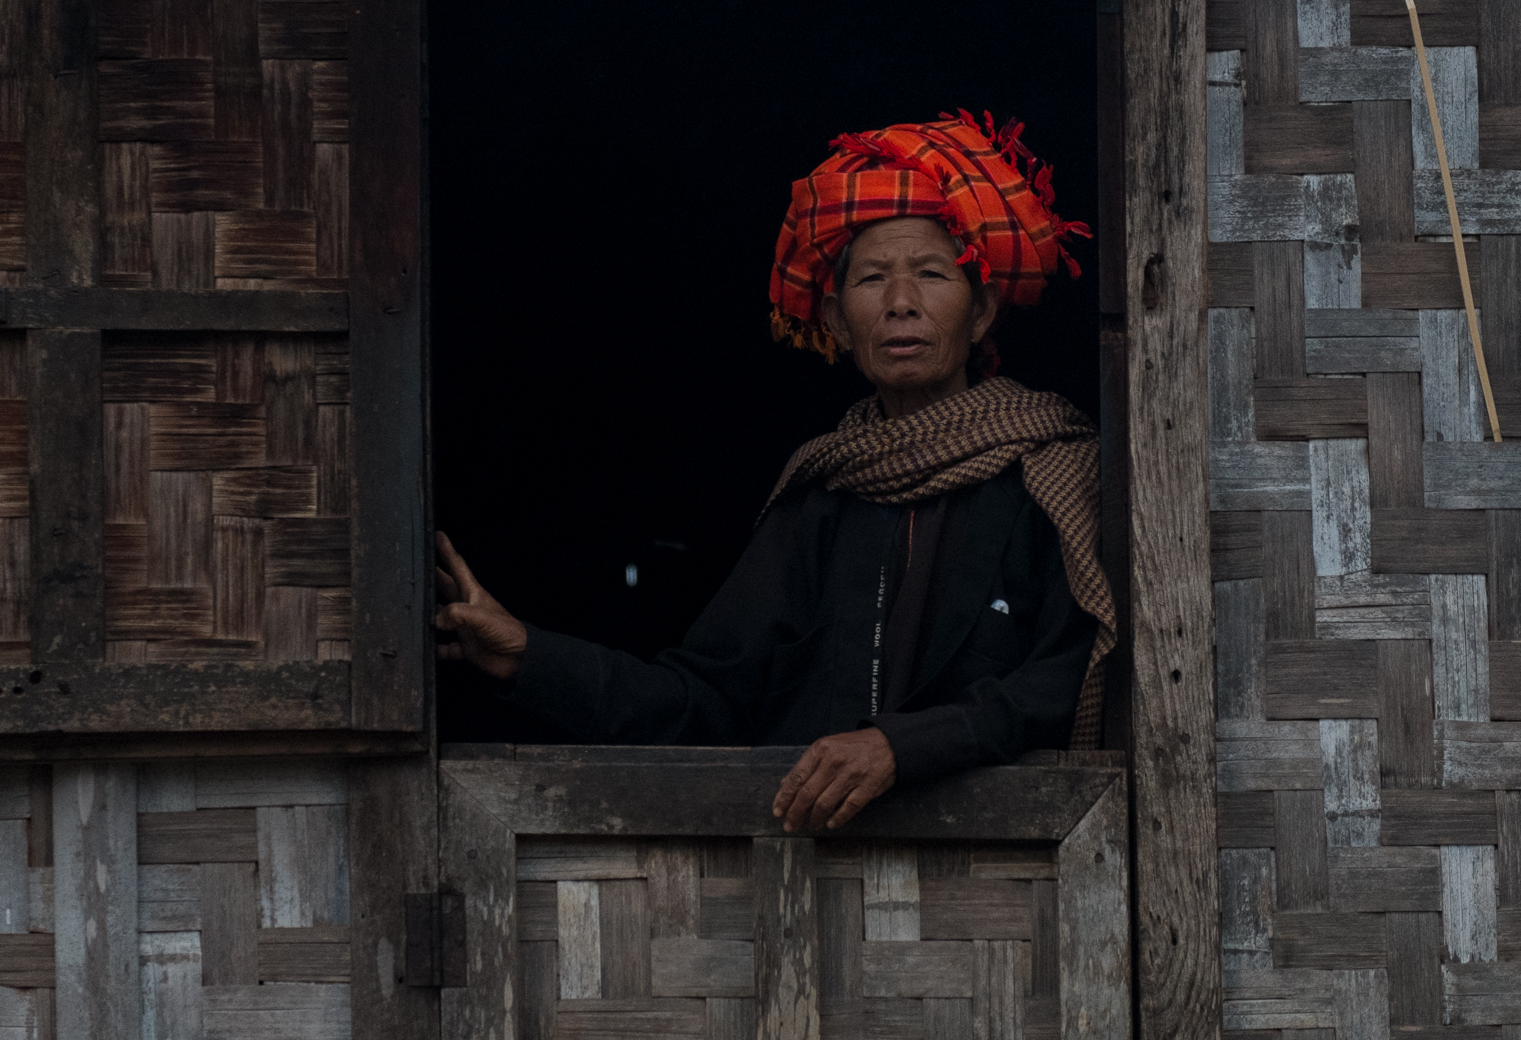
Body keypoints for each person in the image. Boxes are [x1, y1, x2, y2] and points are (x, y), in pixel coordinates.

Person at [434, 110, 1115, 835]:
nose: (900, 303)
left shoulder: (1050, 474)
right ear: (838, 319)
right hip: (807, 880)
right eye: (873, 279)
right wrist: (529, 656)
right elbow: (704, 702)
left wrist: (901, 747)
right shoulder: (819, 497)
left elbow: (1065, 682)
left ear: (980, 312)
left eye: (931, 274)